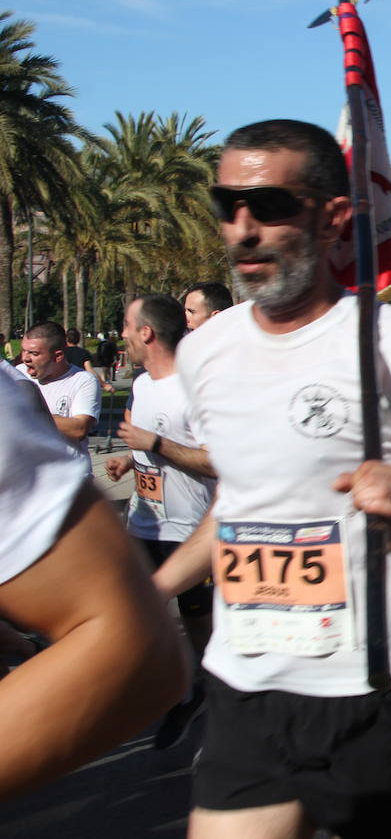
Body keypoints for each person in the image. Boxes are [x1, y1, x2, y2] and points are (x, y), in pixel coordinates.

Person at [150, 118, 391, 839]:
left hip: (377, 696)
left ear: (335, 217)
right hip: (247, 687)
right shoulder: (205, 355)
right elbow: (240, 504)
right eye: (228, 207)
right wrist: (144, 593)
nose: (243, 229)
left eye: (270, 206)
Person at [0, 376, 189, 799]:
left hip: (180, 525)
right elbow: (132, 645)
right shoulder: (144, 384)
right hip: (129, 529)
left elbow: (130, 646)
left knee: (200, 628)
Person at [103, 294, 218, 749]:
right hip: (143, 522)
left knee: (198, 624)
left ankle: (214, 694)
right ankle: (174, 689)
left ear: (147, 332)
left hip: (188, 530)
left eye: (128, 327)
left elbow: (216, 461)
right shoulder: (143, 385)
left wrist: (155, 443)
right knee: (136, 609)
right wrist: (129, 461)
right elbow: (149, 444)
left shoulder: (194, 388)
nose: (124, 335)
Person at [20, 321, 101, 470]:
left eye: (34, 353)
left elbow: (79, 429)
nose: (25, 358)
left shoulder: (83, 380)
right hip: (28, 479)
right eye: (24, 351)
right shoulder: (17, 374)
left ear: (57, 356)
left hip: (70, 480)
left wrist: (29, 413)